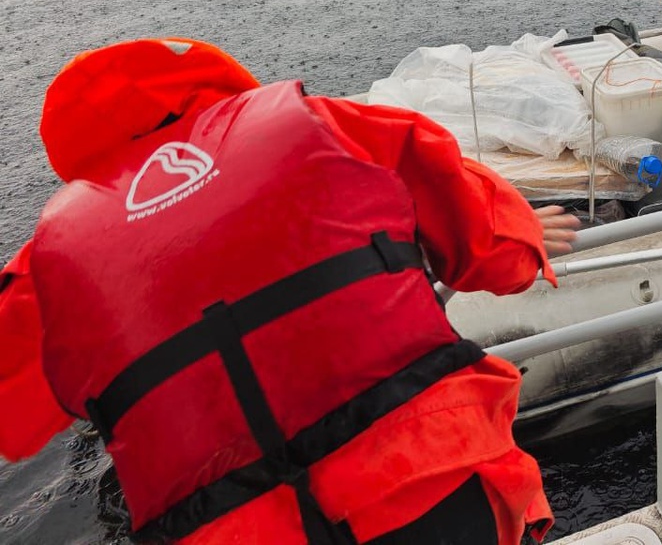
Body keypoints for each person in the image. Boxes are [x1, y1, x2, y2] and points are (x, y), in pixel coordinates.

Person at [0, 37, 579, 545]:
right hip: (429, 478)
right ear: (211, 83)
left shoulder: (48, 263)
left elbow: (13, 421)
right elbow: (489, 251)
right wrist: (524, 240)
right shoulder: (324, 122)